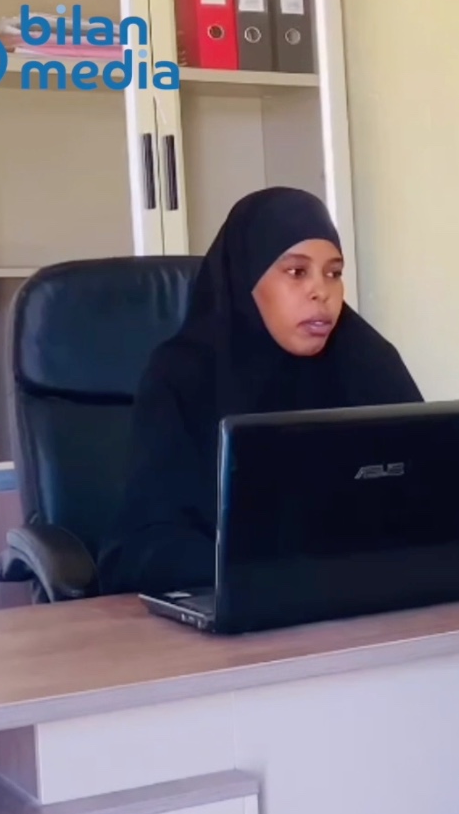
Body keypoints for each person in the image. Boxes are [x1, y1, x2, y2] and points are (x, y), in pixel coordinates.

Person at [96, 187, 424, 596]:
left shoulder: (369, 362)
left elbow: (431, 498)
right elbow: (142, 550)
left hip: (363, 605)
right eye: (297, 272)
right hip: (232, 613)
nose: (321, 291)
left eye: (334, 273)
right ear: (247, 278)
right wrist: (272, 568)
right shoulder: (182, 375)